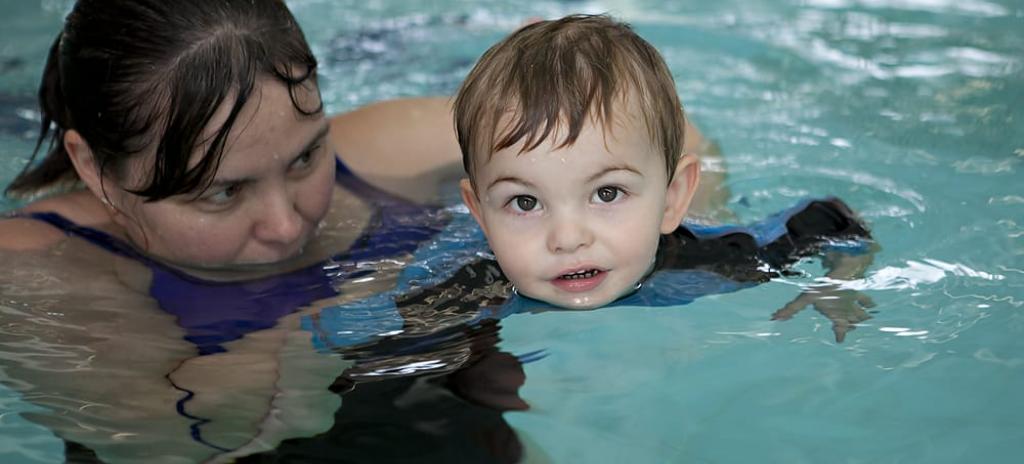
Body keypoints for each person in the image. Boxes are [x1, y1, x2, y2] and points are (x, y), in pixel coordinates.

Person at [0, 0, 470, 461]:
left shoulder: (388, 158)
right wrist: (336, 318)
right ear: (93, 169)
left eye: (305, 158)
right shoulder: (38, 267)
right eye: (222, 193)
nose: (285, 226)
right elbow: (164, 444)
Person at [445, 15, 876, 324]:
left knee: (711, 194)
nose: (568, 239)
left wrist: (839, 283)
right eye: (525, 202)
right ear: (480, 213)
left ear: (672, 199)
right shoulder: (466, 291)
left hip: (690, 212)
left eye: (607, 193)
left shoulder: (713, 261)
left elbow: (833, 220)